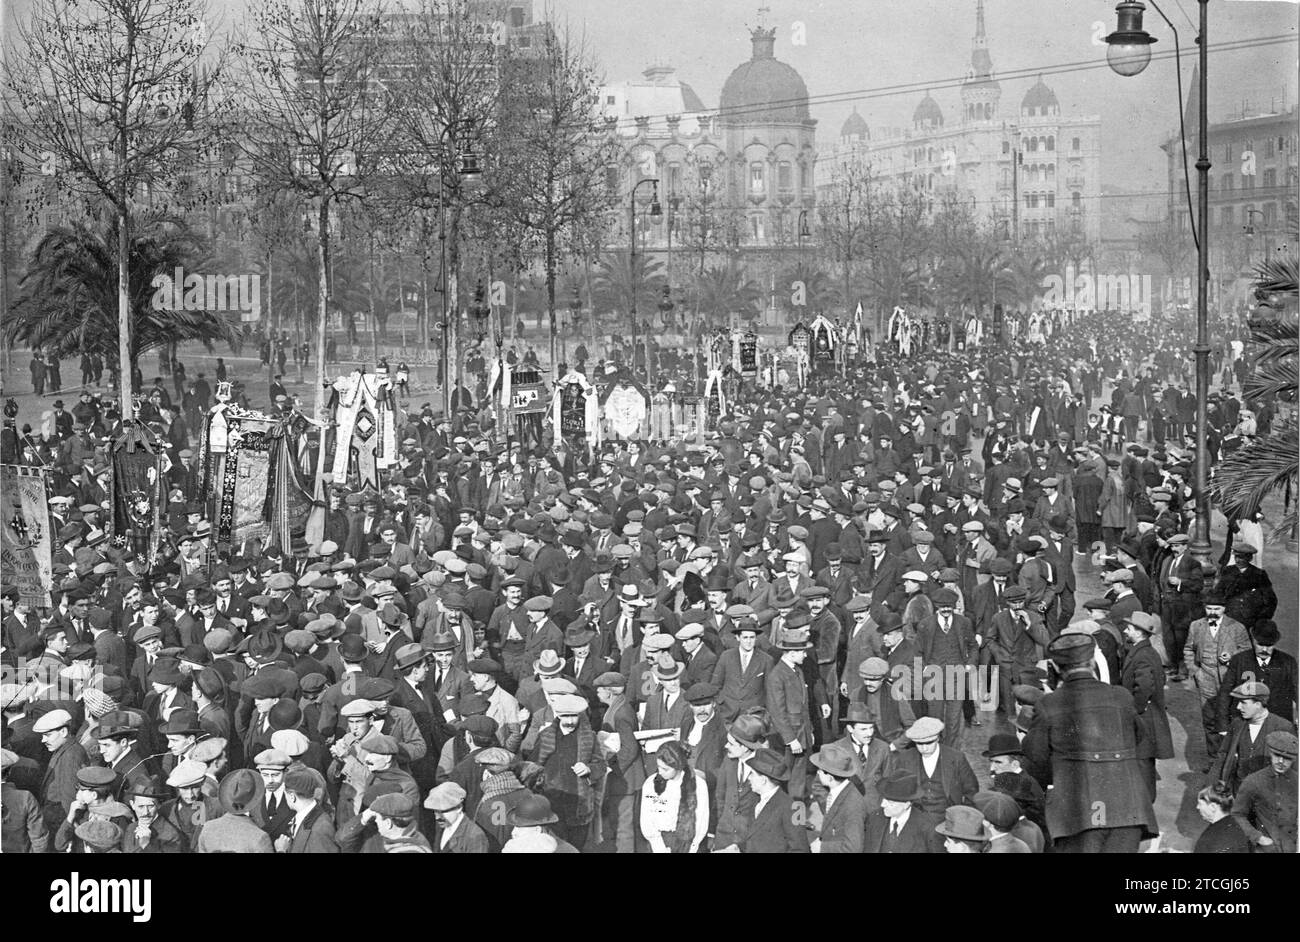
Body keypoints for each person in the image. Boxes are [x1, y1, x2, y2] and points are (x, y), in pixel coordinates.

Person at [1023, 634, 1159, 853]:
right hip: (1126, 809)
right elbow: (1140, 737)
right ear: (1092, 663)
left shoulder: (1049, 704)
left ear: (1057, 667)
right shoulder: (1121, 696)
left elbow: (1035, 758)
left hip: (1078, 814)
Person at [1210, 681, 1296, 794]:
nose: (1238, 707)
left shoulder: (1283, 727)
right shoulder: (1237, 724)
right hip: (1239, 792)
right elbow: (1223, 755)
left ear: (1258, 704)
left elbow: (1293, 766)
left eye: (1243, 702)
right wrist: (1213, 788)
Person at [731, 747, 809, 854]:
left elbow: (801, 849)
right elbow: (754, 838)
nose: (749, 778)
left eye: (752, 774)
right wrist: (738, 848)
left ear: (763, 780)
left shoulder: (794, 807)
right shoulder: (755, 800)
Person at [1231, 730, 1297, 853]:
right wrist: (1258, 838)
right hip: (1267, 848)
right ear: (1270, 754)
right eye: (1277, 755)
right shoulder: (1253, 781)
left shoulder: (1297, 781)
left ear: (1294, 759)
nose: (1281, 762)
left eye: (1287, 758)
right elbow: (1237, 814)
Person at [809, 741, 866, 853]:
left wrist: (822, 847)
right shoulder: (839, 792)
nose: (818, 773)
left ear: (829, 777)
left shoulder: (853, 805)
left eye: (819, 771)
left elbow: (853, 848)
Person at [865, 771, 943, 853]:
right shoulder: (875, 818)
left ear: (907, 804)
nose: (883, 804)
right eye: (884, 799)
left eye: (890, 802)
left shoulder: (927, 828)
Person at [1191, 782, 1252, 854]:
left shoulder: (1220, 838)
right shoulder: (1230, 823)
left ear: (1213, 807)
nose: (1197, 807)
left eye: (1200, 804)